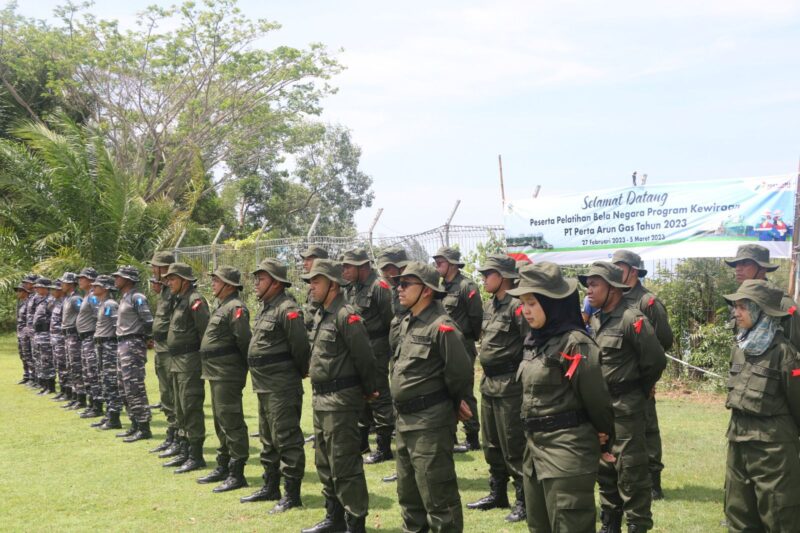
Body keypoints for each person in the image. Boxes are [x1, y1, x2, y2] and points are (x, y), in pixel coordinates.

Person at [510, 261, 615, 533]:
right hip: (534, 455)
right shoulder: (536, 342)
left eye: (532, 302)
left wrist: (603, 433)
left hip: (566, 455)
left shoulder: (575, 343)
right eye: (523, 303)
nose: (526, 311)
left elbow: (597, 400)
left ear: (552, 303)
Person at [581, 261, 666, 533]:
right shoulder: (595, 320)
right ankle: (610, 524)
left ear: (613, 289)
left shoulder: (632, 319)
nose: (589, 290)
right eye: (588, 284)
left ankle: (637, 526)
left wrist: (639, 389)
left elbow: (654, 361)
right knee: (605, 469)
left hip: (627, 407)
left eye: (595, 284)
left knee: (631, 473)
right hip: (602, 407)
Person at [390, 260, 474, 532]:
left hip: (430, 424)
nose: (399, 289)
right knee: (409, 495)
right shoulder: (408, 322)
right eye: (398, 284)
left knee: (438, 498)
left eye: (405, 284)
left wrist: (452, 402)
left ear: (426, 290)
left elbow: (460, 373)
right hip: (405, 421)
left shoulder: (442, 326)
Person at [300, 259, 376, 533]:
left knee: (344, 463)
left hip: (341, 401)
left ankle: (355, 523)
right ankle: (334, 518)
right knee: (324, 461)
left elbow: (365, 358)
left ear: (332, 284)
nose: (311, 287)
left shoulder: (347, 315)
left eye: (316, 281)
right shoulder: (323, 314)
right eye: (310, 282)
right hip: (321, 400)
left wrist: (368, 392)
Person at [722, 280, 800, 531]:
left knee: (778, 517)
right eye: (735, 306)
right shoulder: (739, 349)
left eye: (743, 306)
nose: (736, 312)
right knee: (738, 515)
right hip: (738, 444)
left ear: (761, 310)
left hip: (773, 451)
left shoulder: (784, 354)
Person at [240, 258, 310, 513]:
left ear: (276, 282)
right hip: (264, 385)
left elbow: (301, 348)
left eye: (261, 279)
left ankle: (292, 495)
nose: (256, 283)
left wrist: (298, 372)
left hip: (282, 385)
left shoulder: (287, 309)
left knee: (286, 438)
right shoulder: (266, 308)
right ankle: (271, 487)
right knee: (268, 439)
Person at [467, 254, 527, 522]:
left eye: (487, 274)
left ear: (502, 276)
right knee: (490, 443)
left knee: (513, 444)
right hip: (489, 382)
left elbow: (530, 344)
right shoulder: (491, 307)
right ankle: (497, 493)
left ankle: (524, 502)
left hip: (510, 384)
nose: (483, 278)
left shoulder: (517, 306)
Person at [612, 250, 674, 501]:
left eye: (620, 267)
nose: (615, 271)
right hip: (617, 382)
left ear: (633, 271)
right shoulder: (614, 298)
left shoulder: (648, 302)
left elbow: (664, 343)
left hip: (641, 379)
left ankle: (653, 482)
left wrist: (648, 379)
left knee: (647, 428)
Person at [196, 266, 252, 493]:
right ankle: (224, 465)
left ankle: (237, 472)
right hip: (215, 371)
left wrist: (239, 368)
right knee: (221, 420)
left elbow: (244, 341)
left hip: (227, 373)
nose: (213, 283)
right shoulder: (222, 306)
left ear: (229, 284)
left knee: (231, 420)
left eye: (217, 280)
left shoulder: (235, 307)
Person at [341, 247, 395, 463]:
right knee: (360, 394)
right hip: (359, 348)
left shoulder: (379, 287)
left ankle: (384, 448)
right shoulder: (352, 289)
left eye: (348, 266)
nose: (344, 270)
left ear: (362, 266)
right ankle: (362, 443)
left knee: (379, 394)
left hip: (377, 347)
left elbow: (391, 321)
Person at [432, 245, 483, 453]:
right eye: (435, 263)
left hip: (462, 345)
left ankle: (472, 436)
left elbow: (476, 318)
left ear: (452, 264)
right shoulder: (440, 287)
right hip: (442, 346)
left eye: (440, 262)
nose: (436, 266)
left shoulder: (466, 286)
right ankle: (449, 435)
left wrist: (465, 338)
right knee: (443, 389)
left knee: (464, 390)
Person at [163, 262, 210, 472]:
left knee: (190, 407)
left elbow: (205, 332)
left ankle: (196, 455)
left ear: (184, 280)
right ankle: (184, 449)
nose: (169, 282)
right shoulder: (179, 300)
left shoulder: (195, 300)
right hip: (176, 362)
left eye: (173, 278)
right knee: (179, 407)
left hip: (190, 362)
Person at [725, 244, 800, 351]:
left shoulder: (784, 304)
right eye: (736, 264)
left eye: (745, 263)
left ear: (762, 269)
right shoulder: (737, 302)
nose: (738, 268)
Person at [113, 265, 155, 442]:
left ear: (128, 280)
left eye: (119, 277)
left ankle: (144, 426)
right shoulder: (125, 297)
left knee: (134, 386)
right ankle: (134, 423)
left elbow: (148, 320)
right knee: (124, 387)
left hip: (132, 344)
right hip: (122, 343)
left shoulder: (137, 297)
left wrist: (146, 339)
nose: (116, 279)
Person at [147, 251, 179, 455]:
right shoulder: (165, 292)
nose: (152, 270)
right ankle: (172, 434)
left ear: (164, 269)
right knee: (166, 395)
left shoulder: (175, 291)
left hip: (171, 351)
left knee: (174, 397)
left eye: (155, 267)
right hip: (160, 349)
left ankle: (179, 438)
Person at [91, 275, 122, 430]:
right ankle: (109, 415)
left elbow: (117, 325)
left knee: (111, 382)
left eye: (97, 285)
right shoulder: (102, 304)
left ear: (106, 288)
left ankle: (114, 417)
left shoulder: (110, 304)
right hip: (101, 345)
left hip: (109, 345)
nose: (93, 287)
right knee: (104, 381)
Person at [76, 267, 102, 418]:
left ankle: (97, 406)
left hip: (91, 338)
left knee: (93, 372)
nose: (80, 280)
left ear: (91, 280)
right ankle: (92, 404)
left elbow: (99, 316)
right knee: (87, 372)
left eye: (83, 278)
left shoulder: (93, 297)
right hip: (84, 338)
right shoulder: (87, 296)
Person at [60, 272, 85, 410]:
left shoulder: (76, 299)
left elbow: (84, 314)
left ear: (70, 284)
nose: (61, 285)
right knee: (71, 366)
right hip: (68, 336)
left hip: (74, 336)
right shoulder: (68, 298)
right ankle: (75, 397)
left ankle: (81, 398)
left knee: (76, 367)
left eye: (63, 282)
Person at [32, 277, 56, 395]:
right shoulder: (39, 300)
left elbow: (54, 317)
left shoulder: (50, 300)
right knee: (40, 359)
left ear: (46, 288)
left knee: (47, 360)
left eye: (40, 286)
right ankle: (44, 385)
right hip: (38, 333)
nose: (37, 288)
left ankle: (50, 386)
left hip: (46, 333)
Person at [299, 245, 329, 334]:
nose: (304, 263)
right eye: (304, 260)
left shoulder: (330, 285)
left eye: (308, 259)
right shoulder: (310, 287)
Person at [49, 280, 68, 400]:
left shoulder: (66, 302)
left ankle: (68, 391)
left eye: (54, 289)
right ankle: (62, 390)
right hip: (55, 338)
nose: (52, 291)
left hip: (62, 338)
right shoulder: (56, 303)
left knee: (64, 365)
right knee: (58, 365)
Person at [15, 282, 31, 385]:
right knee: (23, 355)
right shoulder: (20, 303)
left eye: (20, 291)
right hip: (20, 333)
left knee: (28, 355)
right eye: (17, 291)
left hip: (26, 333)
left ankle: (32, 377)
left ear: (25, 292)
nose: (18, 293)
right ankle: (26, 375)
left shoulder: (29, 303)